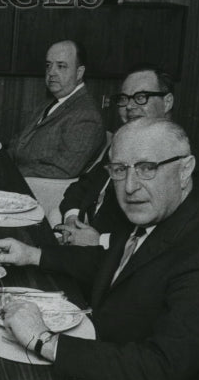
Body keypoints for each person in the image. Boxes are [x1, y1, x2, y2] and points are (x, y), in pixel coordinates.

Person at [0, 118, 199, 380]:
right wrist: (33, 255)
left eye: (147, 168)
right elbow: (114, 267)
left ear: (185, 170)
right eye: (119, 170)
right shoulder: (157, 215)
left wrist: (46, 341)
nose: (130, 186)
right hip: (122, 360)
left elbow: (158, 372)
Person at [56, 63, 175, 248]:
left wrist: (98, 241)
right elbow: (80, 187)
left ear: (167, 102)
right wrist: (72, 218)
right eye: (124, 98)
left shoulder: (178, 157)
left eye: (141, 97)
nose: (129, 106)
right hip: (80, 245)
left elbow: (163, 237)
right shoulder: (124, 143)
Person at [8, 39, 105, 178]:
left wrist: (9, 172)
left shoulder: (87, 116)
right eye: (48, 65)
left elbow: (62, 170)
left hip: (34, 187)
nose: (51, 72)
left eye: (61, 66)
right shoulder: (52, 101)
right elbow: (19, 140)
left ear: (79, 73)